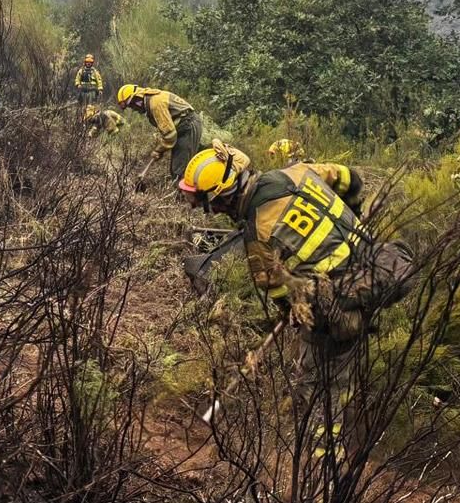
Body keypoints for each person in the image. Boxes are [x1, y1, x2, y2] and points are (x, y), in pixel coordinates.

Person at [176, 141, 410, 346]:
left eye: (206, 203)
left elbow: (286, 301)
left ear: (223, 197)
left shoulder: (258, 236)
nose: (209, 210)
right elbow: (350, 178)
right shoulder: (297, 172)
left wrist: (297, 316)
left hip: (341, 301)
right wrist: (354, 215)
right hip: (379, 259)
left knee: (313, 365)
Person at [116, 84, 202, 191]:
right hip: (183, 127)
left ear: (137, 98)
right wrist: (160, 150)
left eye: (132, 105)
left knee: (179, 170)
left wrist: (158, 150)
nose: (134, 109)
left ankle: (184, 202)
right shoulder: (151, 101)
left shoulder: (155, 103)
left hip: (188, 127)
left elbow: (170, 135)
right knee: (185, 165)